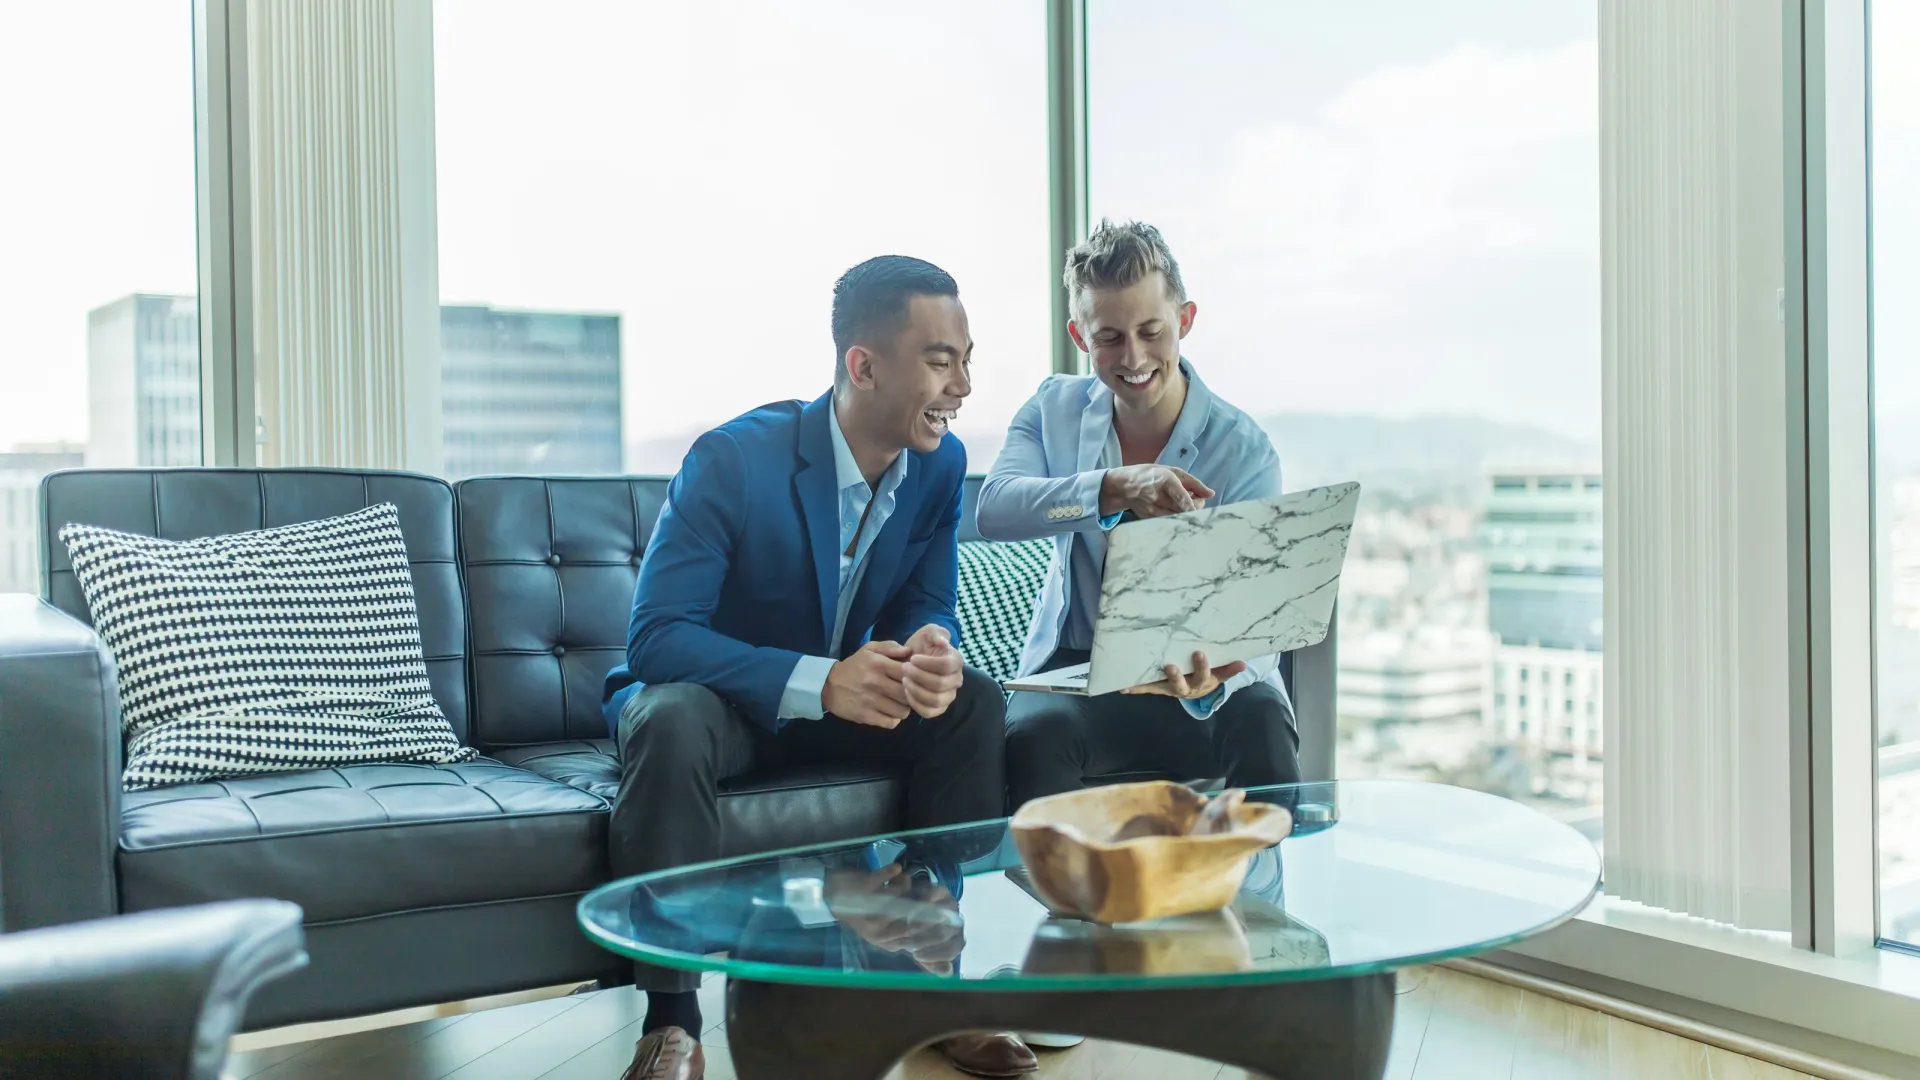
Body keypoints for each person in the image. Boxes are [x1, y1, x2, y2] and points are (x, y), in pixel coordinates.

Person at [600, 256, 1033, 1080]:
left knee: (970, 701)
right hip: (718, 707)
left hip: (833, 702)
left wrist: (931, 649)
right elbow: (655, 639)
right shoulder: (732, 459)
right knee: (669, 717)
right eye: (941, 360)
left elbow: (923, 600)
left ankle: (926, 974)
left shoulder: (939, 465)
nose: (964, 385)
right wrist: (819, 678)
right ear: (862, 366)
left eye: (967, 358)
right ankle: (672, 1023)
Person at [976, 220, 1301, 812]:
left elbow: (1260, 620)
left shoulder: (1244, 449)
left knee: (1262, 720)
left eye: (1152, 330)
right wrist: (1113, 488)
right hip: (1078, 673)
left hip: (1202, 677)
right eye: (1109, 338)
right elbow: (995, 508)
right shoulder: (1052, 410)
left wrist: (1215, 674)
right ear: (1079, 335)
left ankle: (1265, 902)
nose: (1134, 357)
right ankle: (1060, 904)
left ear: (1186, 320)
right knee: (1032, 735)